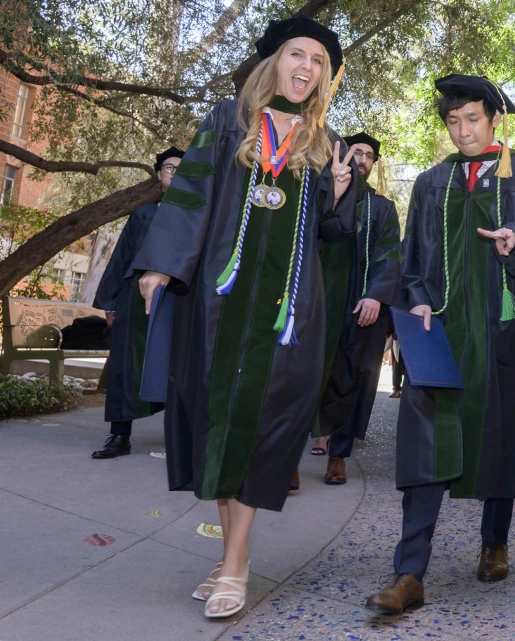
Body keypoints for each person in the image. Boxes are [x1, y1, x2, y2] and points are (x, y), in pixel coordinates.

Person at [130, 15, 356, 619]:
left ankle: (235, 562)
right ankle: (235, 555)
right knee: (219, 418)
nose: (306, 67)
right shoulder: (228, 123)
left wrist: (337, 193)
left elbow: (333, 234)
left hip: (286, 312)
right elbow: (191, 198)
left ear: (324, 76)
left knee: (262, 423)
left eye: (318, 61)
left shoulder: (322, 144)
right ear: (274, 61)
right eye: (296, 54)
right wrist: (160, 266)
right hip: (219, 304)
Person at [364, 74, 515, 615]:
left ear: (495, 119)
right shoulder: (432, 182)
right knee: (426, 440)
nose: (462, 131)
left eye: (473, 120)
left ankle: (495, 540)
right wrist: (413, 300)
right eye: (453, 122)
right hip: (441, 335)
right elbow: (410, 255)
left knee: (504, 433)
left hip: (512, 333)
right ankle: (409, 570)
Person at [316, 132, 402, 485]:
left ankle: (338, 455)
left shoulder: (382, 208)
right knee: (305, 376)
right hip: (317, 302)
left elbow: (389, 254)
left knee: (352, 380)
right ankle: (287, 455)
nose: (362, 160)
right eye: (356, 153)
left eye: (368, 156)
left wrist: (376, 295)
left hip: (361, 306)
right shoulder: (320, 199)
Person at [90, 146, 181, 459]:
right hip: (135, 299)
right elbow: (122, 258)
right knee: (125, 367)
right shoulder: (143, 213)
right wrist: (110, 301)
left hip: (178, 299)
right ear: (159, 174)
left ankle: (180, 439)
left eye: (183, 169)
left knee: (178, 366)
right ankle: (119, 436)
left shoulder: (197, 216)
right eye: (170, 167)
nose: (175, 173)